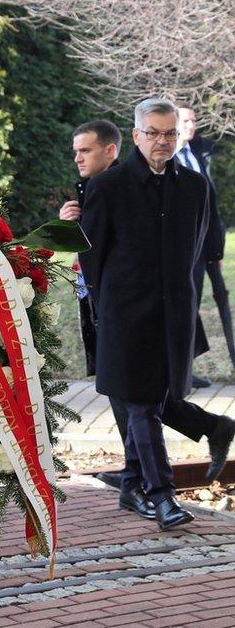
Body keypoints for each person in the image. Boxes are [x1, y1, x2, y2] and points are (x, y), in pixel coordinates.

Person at [60, 120, 234, 489]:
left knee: (138, 396)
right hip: (105, 305)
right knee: (129, 393)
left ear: (110, 150)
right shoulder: (94, 187)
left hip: (135, 310)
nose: (77, 158)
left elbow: (122, 252)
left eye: (85, 150)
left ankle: (148, 481)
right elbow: (96, 250)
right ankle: (137, 473)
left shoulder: (131, 188)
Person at [79, 98, 210, 530]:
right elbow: (92, 259)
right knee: (141, 405)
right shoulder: (108, 187)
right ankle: (163, 495)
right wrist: (108, 308)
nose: (162, 141)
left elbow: (194, 250)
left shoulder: (194, 186)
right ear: (135, 135)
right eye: (153, 132)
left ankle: (132, 483)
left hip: (173, 315)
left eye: (170, 133)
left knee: (150, 402)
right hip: (125, 317)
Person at [176, 105, 226, 388]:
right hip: (183, 250)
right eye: (186, 120)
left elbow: (209, 206)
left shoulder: (196, 155)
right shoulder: (169, 159)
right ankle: (180, 374)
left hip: (202, 249)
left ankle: (185, 371)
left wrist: (215, 248)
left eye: (194, 120)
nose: (192, 125)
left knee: (192, 306)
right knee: (184, 306)